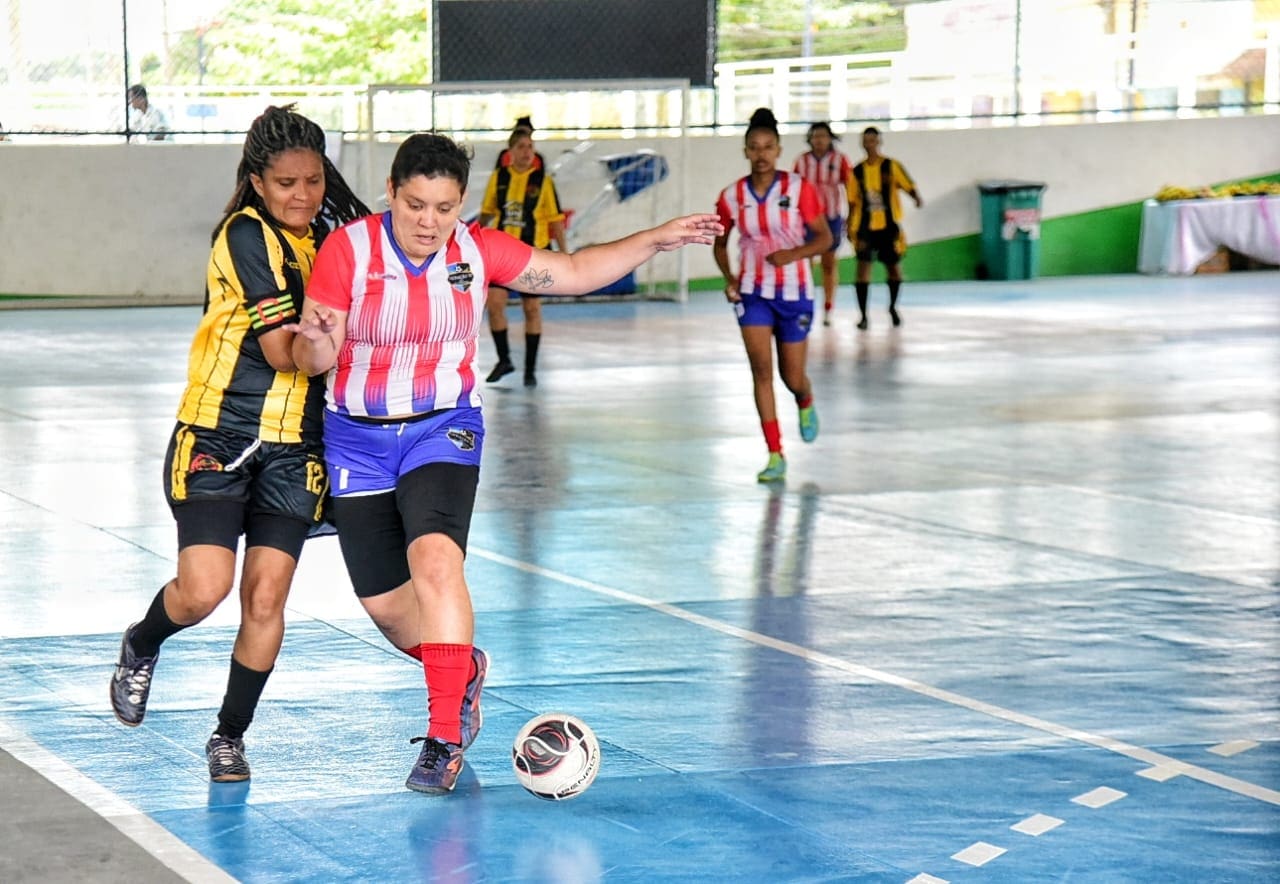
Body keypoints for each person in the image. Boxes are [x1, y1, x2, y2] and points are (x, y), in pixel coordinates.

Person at [287, 132, 721, 794]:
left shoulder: (476, 250)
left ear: (461, 203)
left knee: (436, 562)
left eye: (444, 206)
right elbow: (313, 359)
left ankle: (441, 741)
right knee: (386, 608)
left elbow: (571, 272)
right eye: (415, 205)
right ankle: (462, 667)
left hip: (443, 429)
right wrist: (314, 343)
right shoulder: (349, 252)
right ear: (390, 195)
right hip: (357, 442)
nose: (429, 221)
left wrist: (654, 239)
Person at [109, 105, 370, 783]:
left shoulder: (335, 243)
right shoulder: (244, 236)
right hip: (219, 437)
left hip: (295, 451)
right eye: (286, 182)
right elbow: (285, 351)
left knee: (265, 601)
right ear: (257, 182)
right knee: (203, 592)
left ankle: (228, 735)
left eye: (313, 181)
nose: (302, 195)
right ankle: (141, 642)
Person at [713, 107, 832, 484]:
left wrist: (793, 254)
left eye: (768, 147)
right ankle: (775, 453)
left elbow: (826, 238)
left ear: (778, 150)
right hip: (752, 293)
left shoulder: (799, 189)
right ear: (745, 151)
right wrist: (729, 277)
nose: (761, 154)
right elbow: (720, 244)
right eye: (753, 147)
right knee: (761, 371)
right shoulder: (731, 196)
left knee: (790, 375)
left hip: (795, 292)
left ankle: (805, 398)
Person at [479, 122, 568, 387]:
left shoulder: (543, 181)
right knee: (494, 305)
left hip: (534, 254)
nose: (527, 151)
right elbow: (487, 212)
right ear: (511, 152)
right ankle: (504, 359)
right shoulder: (499, 178)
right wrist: (474, 241)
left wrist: (565, 255)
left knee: (532, 308)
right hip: (503, 253)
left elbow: (556, 220)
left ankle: (530, 369)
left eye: (530, 147)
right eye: (522, 147)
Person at [848, 125, 922, 329]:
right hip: (865, 227)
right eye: (865, 140)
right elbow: (852, 201)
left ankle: (892, 307)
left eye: (872, 140)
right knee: (863, 270)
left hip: (888, 227)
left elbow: (908, 184)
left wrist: (916, 197)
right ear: (862, 143)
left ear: (878, 142)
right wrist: (849, 225)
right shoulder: (857, 171)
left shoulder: (891, 166)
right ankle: (863, 316)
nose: (869, 144)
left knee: (894, 269)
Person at [792, 122, 853, 326]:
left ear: (830, 138)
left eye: (823, 136)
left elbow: (851, 189)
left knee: (829, 262)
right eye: (815, 136)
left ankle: (828, 307)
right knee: (806, 263)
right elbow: (792, 190)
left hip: (832, 217)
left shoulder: (840, 160)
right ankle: (805, 304)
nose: (819, 140)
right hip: (807, 219)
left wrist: (851, 217)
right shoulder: (801, 161)